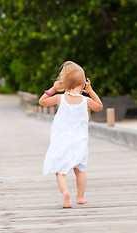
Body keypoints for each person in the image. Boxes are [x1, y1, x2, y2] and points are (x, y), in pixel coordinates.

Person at [39, 61, 103, 208]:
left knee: (60, 171)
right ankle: (80, 197)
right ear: (83, 84)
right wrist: (91, 91)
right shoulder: (85, 100)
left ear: (64, 84)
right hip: (79, 141)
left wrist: (53, 89)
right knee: (80, 169)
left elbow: (42, 101)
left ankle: (65, 193)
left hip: (62, 141)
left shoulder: (59, 98)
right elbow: (99, 106)